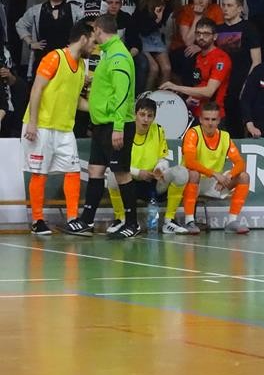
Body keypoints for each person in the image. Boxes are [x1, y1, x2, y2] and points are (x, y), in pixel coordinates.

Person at [63, 14, 139, 238]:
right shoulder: (108, 52)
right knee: (95, 170)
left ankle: (132, 223)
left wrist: (118, 127)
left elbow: (122, 93)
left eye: (93, 30)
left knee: (121, 173)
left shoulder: (118, 56)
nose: (92, 34)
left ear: (98, 29)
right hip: (101, 124)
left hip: (115, 124)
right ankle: (87, 220)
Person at [21, 20, 95, 235]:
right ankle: (37, 221)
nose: (94, 47)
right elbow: (36, 89)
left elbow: (76, 101)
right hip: (41, 125)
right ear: (83, 38)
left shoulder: (81, 66)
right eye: (93, 42)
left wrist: (99, 110)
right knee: (39, 173)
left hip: (64, 128)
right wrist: (33, 122)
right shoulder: (55, 57)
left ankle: (72, 218)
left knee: (73, 171)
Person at [105, 98, 190, 234]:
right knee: (112, 175)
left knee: (181, 172)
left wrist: (159, 169)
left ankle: (169, 221)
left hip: (153, 183)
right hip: (128, 183)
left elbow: (163, 159)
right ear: (135, 115)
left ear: (154, 117)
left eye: (150, 116)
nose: (145, 119)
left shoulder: (158, 130)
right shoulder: (123, 132)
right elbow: (115, 163)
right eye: (142, 115)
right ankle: (121, 219)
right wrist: (139, 173)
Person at [181, 102, 251, 234]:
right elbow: (189, 162)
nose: (210, 123)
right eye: (206, 119)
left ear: (219, 120)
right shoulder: (193, 133)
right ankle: (189, 221)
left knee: (244, 176)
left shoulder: (225, 136)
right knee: (194, 173)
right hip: (191, 181)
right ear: (200, 119)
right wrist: (214, 174)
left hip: (214, 183)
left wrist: (228, 176)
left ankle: (232, 221)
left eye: (213, 119)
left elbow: (240, 163)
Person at [160, 18, 232, 124]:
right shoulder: (197, 57)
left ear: (215, 36)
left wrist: (176, 87)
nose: (201, 37)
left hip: (213, 117)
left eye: (206, 34)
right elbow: (197, 84)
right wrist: (190, 98)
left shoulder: (221, 58)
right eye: (198, 33)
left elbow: (209, 91)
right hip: (195, 114)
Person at [16, 0, 84, 79]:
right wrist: (30, 43)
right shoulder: (36, 10)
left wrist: (76, 44)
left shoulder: (75, 10)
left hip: (67, 60)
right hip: (43, 60)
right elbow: (20, 25)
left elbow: (84, 30)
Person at [216, 0, 262, 138]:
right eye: (223, 5)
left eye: (230, 5)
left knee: (238, 126)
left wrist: (247, 85)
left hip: (241, 83)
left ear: (240, 8)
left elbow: (257, 61)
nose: (225, 9)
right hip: (221, 84)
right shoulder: (217, 29)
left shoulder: (249, 28)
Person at [169, 0, 224, 85]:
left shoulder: (215, 9)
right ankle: (188, 90)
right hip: (181, 49)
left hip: (204, 47)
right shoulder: (186, 10)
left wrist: (201, 47)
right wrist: (197, 17)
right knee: (189, 55)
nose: (200, 1)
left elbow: (219, 37)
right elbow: (188, 42)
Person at [133, 0, 181, 90]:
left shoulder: (169, 5)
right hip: (140, 37)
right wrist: (156, 20)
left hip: (155, 37)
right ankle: (145, 98)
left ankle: (160, 98)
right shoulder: (145, 2)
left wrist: (158, 21)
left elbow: (159, 26)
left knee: (167, 68)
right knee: (154, 68)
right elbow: (141, 29)